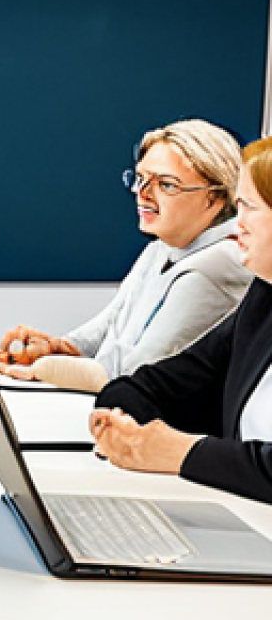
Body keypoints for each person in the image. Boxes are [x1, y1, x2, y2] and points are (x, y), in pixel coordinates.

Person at [0, 119, 251, 392]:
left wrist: (32, 370)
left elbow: (135, 372)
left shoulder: (216, 267)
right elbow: (110, 327)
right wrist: (57, 348)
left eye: (166, 185)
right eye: (141, 178)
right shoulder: (161, 248)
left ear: (214, 198)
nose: (142, 194)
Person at [90, 136, 272, 504]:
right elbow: (159, 382)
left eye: (249, 207)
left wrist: (180, 452)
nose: (238, 226)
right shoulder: (263, 298)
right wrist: (119, 421)